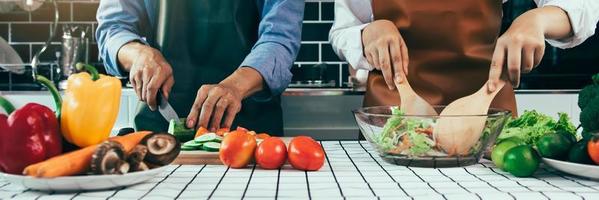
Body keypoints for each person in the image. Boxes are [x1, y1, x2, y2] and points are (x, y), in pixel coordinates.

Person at [330, 0, 599, 115]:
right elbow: (343, 32)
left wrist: (538, 19)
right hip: (395, 119)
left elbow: (582, 7)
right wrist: (368, 33)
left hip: (487, 117)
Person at [96, 0, 303, 135]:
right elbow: (113, 28)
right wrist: (139, 54)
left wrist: (236, 86)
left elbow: (280, 38)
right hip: (159, 131)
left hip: (251, 135)